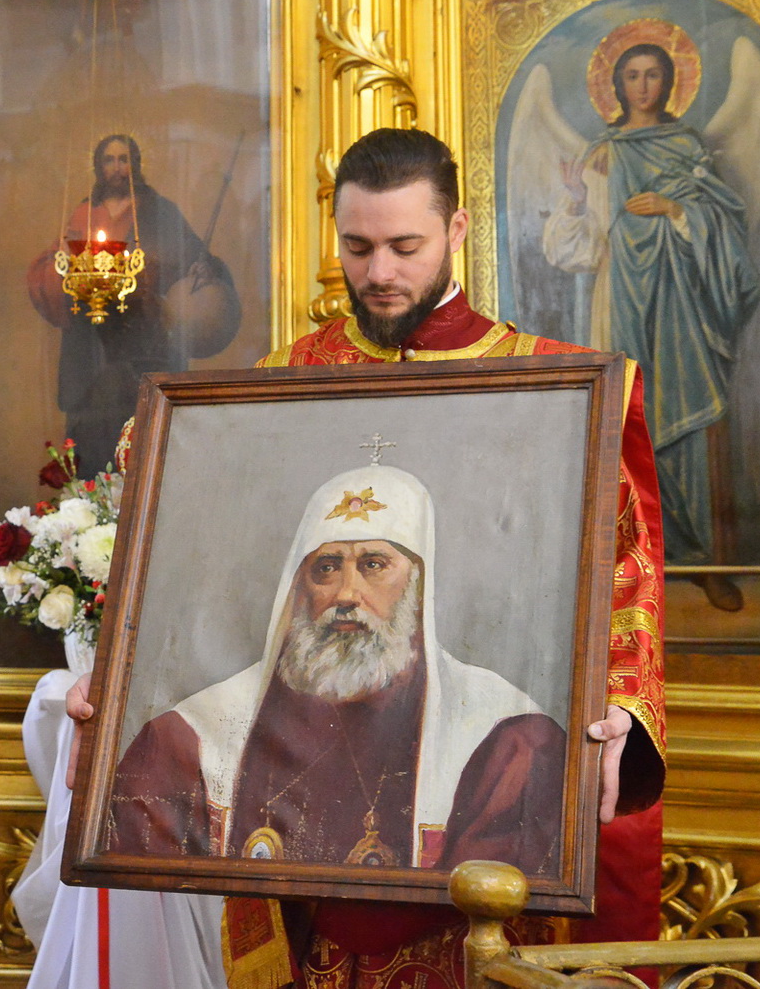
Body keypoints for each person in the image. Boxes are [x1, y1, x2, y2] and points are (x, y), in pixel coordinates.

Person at [73, 128, 664, 989]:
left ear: (457, 230)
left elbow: (628, 572)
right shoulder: (280, 384)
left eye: (405, 247)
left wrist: (623, 708)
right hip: (298, 835)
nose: (379, 271)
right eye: (357, 248)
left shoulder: (556, 387)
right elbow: (195, 560)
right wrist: (122, 676)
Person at [110, 464, 565, 878]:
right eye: (326, 568)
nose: (347, 593)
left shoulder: (506, 735)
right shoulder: (190, 736)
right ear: (299, 588)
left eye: (373, 565)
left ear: (419, 585)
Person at [544, 42, 760, 610]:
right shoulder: (601, 154)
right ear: (615, 85)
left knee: (687, 425)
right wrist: (575, 201)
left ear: (670, 81)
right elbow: (574, 252)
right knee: (626, 422)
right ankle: (631, 565)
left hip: (682, 304)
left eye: (654, 75)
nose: (643, 86)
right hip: (618, 301)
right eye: (633, 76)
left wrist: (675, 210)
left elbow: (726, 226)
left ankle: (705, 561)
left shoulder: (687, 147)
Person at [26, 133, 239, 467]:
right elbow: (57, 265)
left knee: (143, 444)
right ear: (98, 166)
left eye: (123, 160)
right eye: (109, 160)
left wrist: (203, 268)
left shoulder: (159, 212)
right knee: (92, 445)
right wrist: (59, 274)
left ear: (135, 164)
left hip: (143, 345)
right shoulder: (84, 213)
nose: (116, 168)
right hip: (90, 349)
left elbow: (193, 257)